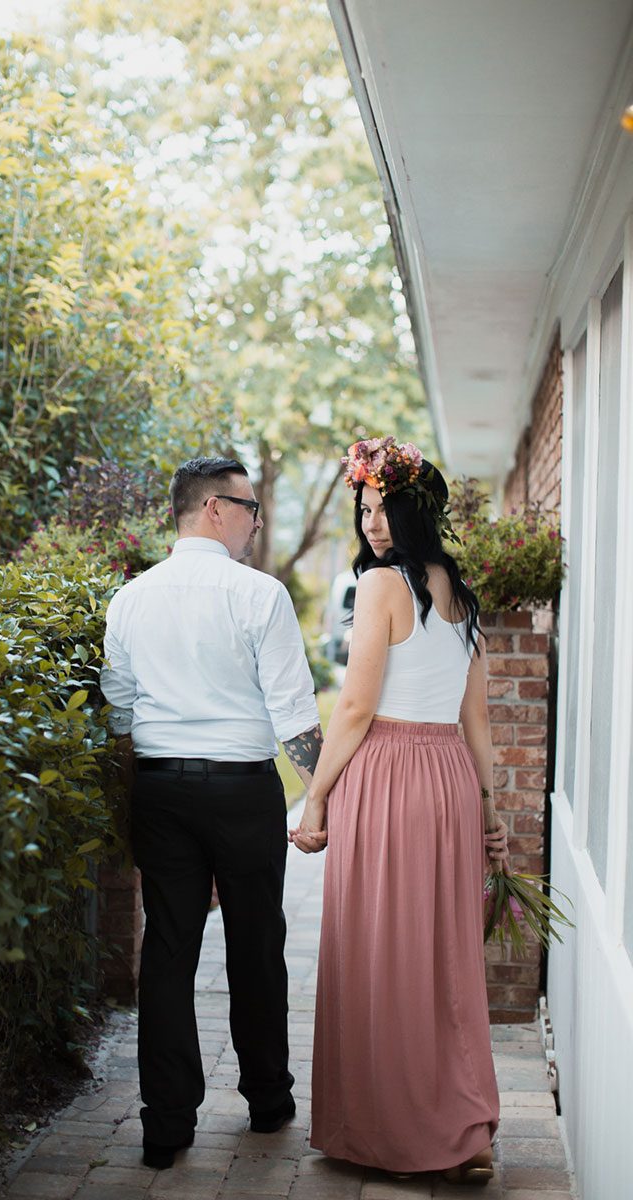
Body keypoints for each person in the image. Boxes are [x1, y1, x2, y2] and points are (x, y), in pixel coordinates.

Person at [290, 436, 509, 1186]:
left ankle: (391, 1129)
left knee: (379, 951)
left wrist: (314, 795)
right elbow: (477, 721)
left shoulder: (383, 587)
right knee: (444, 957)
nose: (372, 521)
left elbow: (353, 707)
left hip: (387, 774)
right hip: (446, 777)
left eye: (384, 507)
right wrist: (487, 808)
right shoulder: (462, 591)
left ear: (416, 512)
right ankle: (464, 1127)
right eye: (365, 505)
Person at [100, 456, 324, 1170]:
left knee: (167, 950)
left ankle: (165, 1123)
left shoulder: (130, 599)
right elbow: (294, 715)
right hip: (241, 790)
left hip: (162, 789)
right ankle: (267, 1099)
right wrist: (324, 794)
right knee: (257, 942)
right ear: (214, 510)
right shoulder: (259, 595)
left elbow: (118, 712)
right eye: (251, 510)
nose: (258, 523)